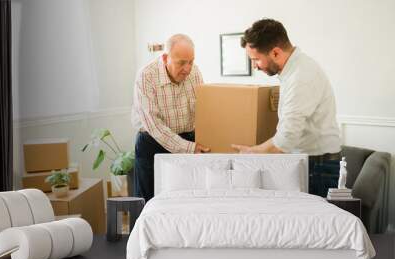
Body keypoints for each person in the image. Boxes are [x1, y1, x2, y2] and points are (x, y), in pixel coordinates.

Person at [232, 19, 341, 197]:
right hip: (311, 162)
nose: (254, 66)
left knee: (311, 223)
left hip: (318, 168)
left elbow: (286, 140)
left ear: (275, 52)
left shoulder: (301, 77)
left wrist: (252, 153)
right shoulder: (294, 70)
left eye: (256, 59)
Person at [131, 34, 210, 202]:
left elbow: (203, 109)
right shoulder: (146, 76)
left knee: (186, 199)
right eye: (182, 62)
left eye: (191, 61)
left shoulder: (194, 72)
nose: (188, 68)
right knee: (149, 201)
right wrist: (190, 148)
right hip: (152, 143)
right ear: (166, 58)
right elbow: (154, 125)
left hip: (188, 139)